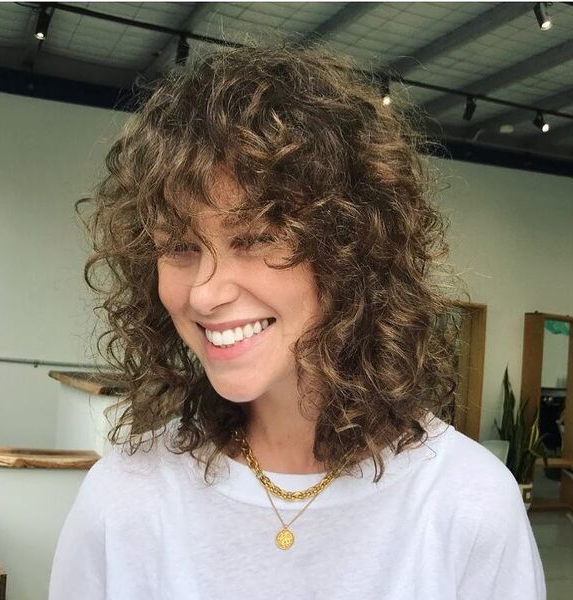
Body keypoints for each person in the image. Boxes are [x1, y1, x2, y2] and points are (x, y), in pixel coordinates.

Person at [48, 42, 545, 599]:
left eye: (257, 238)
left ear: (352, 248)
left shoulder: (466, 504)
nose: (206, 294)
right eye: (180, 247)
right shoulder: (123, 499)